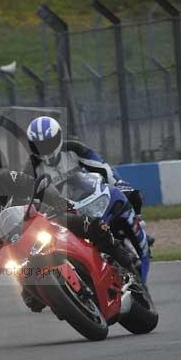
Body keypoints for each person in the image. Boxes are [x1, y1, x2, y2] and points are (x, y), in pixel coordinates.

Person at [0, 152, 137, 312]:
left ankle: (124, 257)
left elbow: (37, 186)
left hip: (42, 220)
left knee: (91, 225)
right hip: (19, 252)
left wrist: (58, 203)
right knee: (33, 303)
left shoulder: (4, 179)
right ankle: (71, 305)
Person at [25, 116, 151, 282]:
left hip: (93, 197)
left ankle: (137, 225)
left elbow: (103, 167)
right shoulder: (32, 167)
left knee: (133, 195)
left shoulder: (74, 149)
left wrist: (119, 183)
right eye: (38, 145)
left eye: (48, 143)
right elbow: (28, 196)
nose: (44, 149)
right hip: (66, 212)